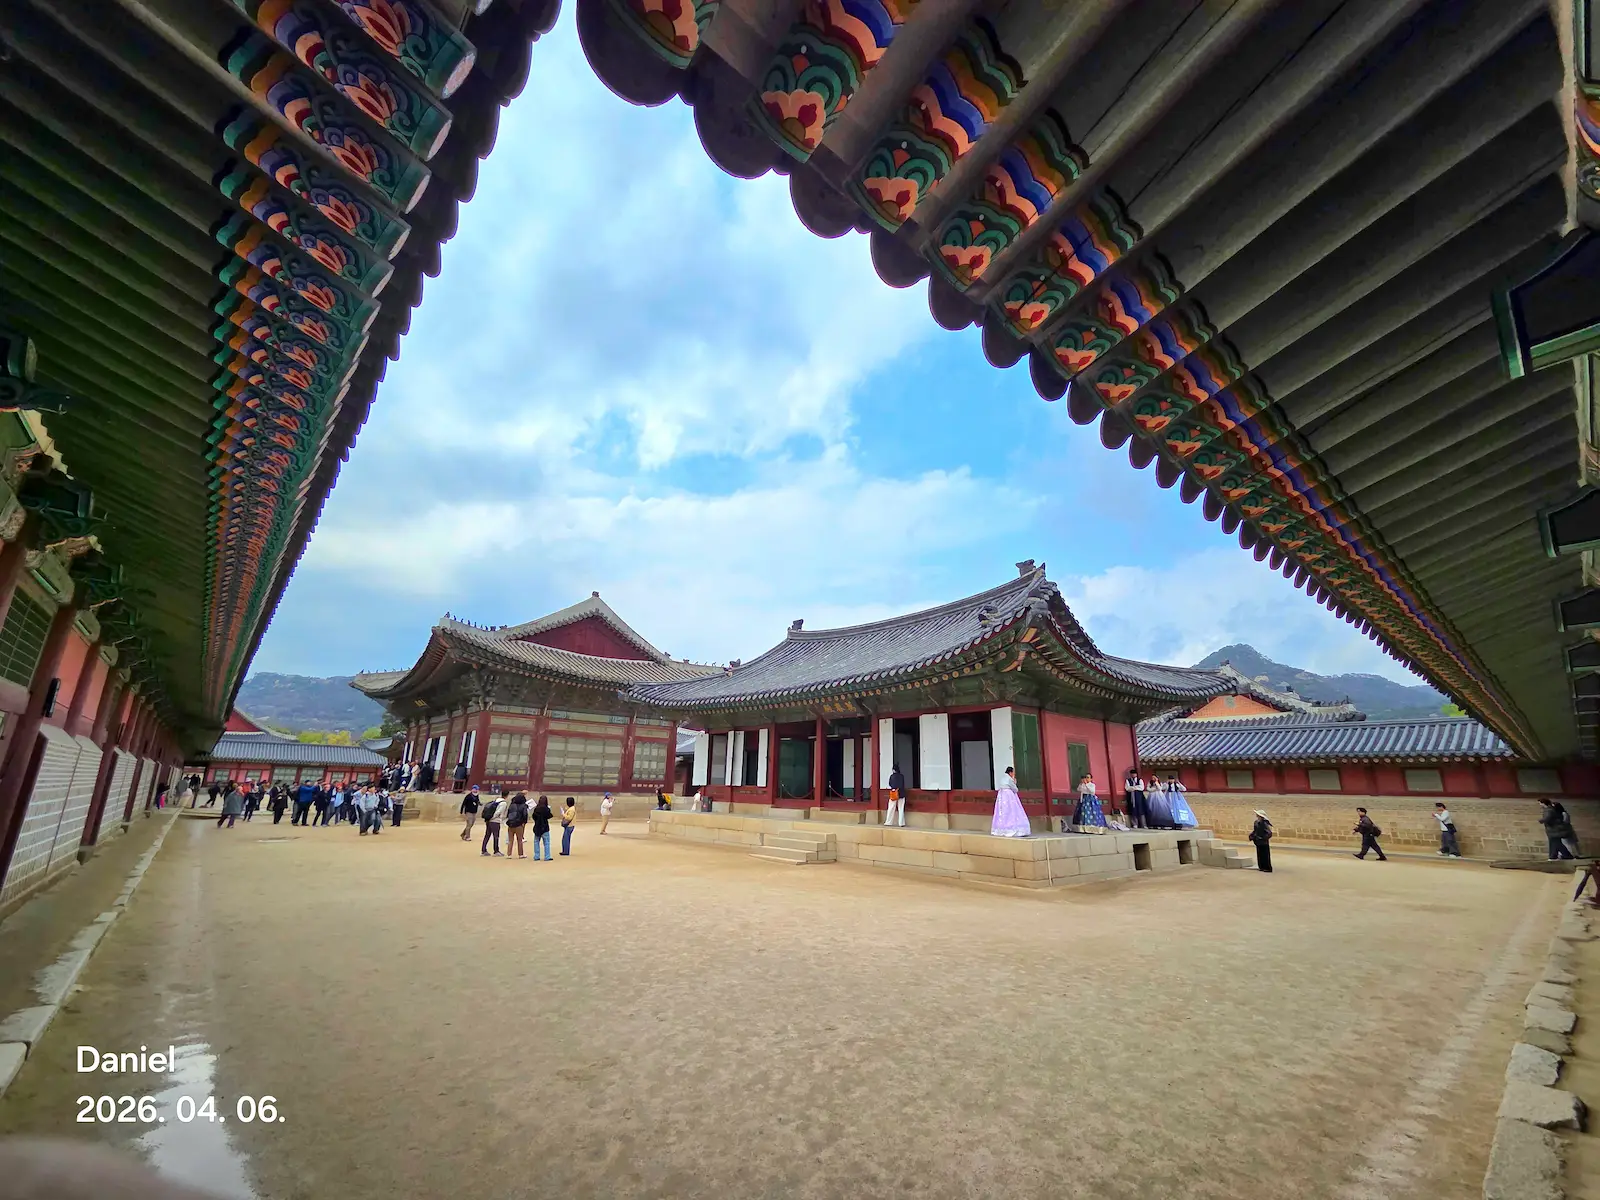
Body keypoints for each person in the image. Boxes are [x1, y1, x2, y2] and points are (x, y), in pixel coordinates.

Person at [990, 766, 1030, 837]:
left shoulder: (1002, 778)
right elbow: (1015, 789)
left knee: (1003, 812)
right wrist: (1014, 782)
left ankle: (1001, 829)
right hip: (1009, 796)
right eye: (1013, 772)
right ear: (1010, 773)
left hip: (1001, 796)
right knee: (1012, 810)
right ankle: (1013, 828)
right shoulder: (1009, 779)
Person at [503, 792, 529, 858]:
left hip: (511, 824)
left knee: (510, 840)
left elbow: (508, 814)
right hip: (519, 824)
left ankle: (509, 854)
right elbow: (525, 815)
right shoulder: (524, 806)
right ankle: (520, 854)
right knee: (519, 840)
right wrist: (524, 822)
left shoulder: (512, 805)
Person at [531, 795, 553, 861]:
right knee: (546, 842)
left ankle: (536, 856)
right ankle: (547, 856)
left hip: (537, 827)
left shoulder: (536, 809)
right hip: (545, 827)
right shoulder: (546, 809)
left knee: (536, 842)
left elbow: (534, 817)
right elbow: (549, 816)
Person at [885, 763, 907, 828]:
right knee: (901, 808)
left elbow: (890, 784)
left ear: (893, 770)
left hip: (894, 794)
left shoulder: (892, 776)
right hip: (901, 794)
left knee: (891, 808)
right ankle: (901, 823)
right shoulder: (902, 776)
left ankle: (888, 822)